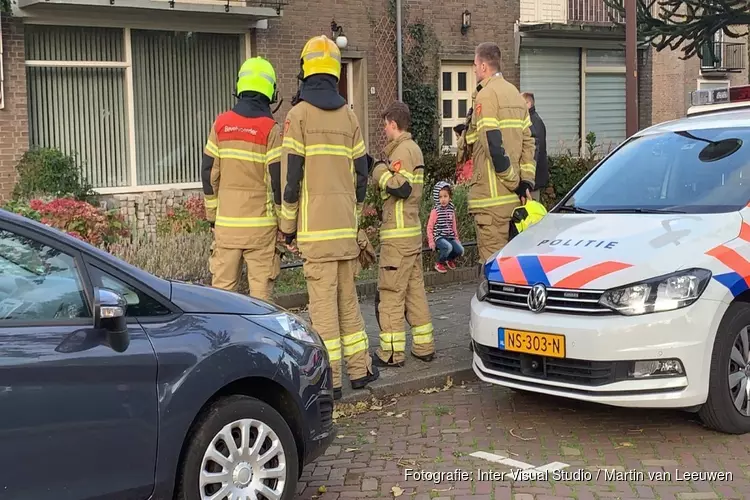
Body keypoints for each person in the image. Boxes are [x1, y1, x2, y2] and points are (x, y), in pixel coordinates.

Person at [278, 35, 379, 399]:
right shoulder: (349, 114)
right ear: (335, 72)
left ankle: (330, 381)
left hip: (316, 235)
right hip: (344, 233)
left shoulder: (298, 116)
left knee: (322, 312)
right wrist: (352, 217)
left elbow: (291, 181)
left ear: (305, 70)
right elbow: (363, 174)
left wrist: (287, 227)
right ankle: (361, 369)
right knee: (348, 304)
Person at [202, 56, 282, 302]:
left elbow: (208, 172)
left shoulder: (221, 124)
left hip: (227, 228)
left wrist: (212, 215)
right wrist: (284, 221)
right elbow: (277, 180)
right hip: (260, 230)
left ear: (239, 87)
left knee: (222, 298)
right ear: (271, 91)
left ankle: (223, 341)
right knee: (261, 301)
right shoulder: (270, 129)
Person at [370, 101, 435, 368]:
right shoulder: (414, 149)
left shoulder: (403, 151)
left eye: (385, 124)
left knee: (391, 294)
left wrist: (377, 170)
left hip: (397, 238)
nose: (384, 130)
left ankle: (392, 353)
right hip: (410, 235)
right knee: (414, 292)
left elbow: (402, 188)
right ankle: (424, 346)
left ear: (394, 124)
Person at [466, 42, 536, 264]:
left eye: (476, 65)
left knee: (493, 269)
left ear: (484, 66)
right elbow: (528, 143)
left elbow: (492, 143)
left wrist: (513, 180)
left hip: (491, 202)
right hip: (514, 202)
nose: (475, 69)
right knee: (513, 268)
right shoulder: (516, 95)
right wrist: (526, 182)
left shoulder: (486, 95)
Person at [427, 181, 464, 273]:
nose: (443, 199)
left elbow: (453, 225)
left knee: (460, 250)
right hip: (439, 237)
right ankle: (439, 263)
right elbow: (429, 227)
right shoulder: (435, 211)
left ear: (449, 197)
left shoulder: (451, 209)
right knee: (448, 247)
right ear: (436, 198)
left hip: (450, 236)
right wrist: (431, 241)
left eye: (445, 196)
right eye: (440, 197)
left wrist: (456, 238)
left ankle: (449, 259)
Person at [521, 92, 548, 202]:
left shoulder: (532, 122)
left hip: (533, 179)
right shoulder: (534, 120)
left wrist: (528, 179)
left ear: (528, 104)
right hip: (534, 178)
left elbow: (534, 150)